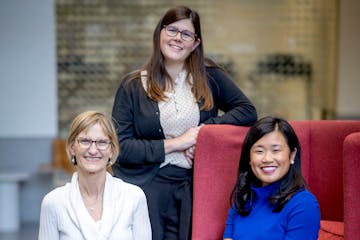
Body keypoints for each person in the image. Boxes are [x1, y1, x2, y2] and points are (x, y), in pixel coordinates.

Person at [111, 5, 257, 240]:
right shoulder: (133, 86)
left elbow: (248, 111)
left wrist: (203, 132)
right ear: (160, 33)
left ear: (195, 43)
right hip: (147, 188)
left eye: (186, 34)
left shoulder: (209, 77)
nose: (177, 38)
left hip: (193, 187)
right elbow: (121, 148)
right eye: (172, 30)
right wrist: (177, 143)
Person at [38, 111, 151, 240]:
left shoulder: (134, 197)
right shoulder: (53, 202)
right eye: (85, 141)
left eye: (102, 142)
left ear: (112, 150)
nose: (93, 150)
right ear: (72, 148)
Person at [223, 116, 320, 240]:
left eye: (276, 150)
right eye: (259, 151)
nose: (267, 159)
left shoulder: (304, 204)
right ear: (249, 157)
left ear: (292, 155)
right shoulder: (242, 201)